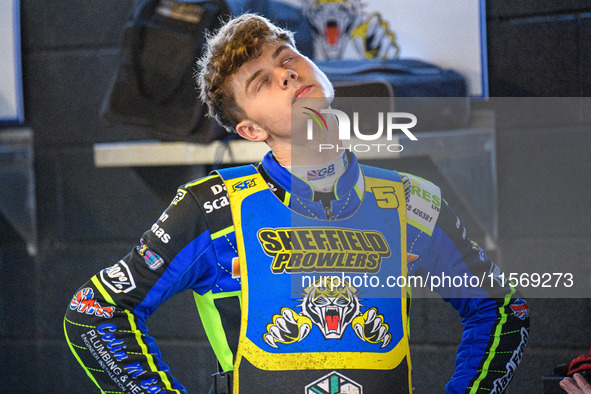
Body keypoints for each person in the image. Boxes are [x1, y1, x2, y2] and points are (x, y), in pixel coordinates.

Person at [64, 13, 530, 393]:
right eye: (262, 82)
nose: (287, 74)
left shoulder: (409, 201)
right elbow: (95, 312)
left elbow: (503, 308)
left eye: (288, 59)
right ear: (249, 130)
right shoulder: (213, 208)